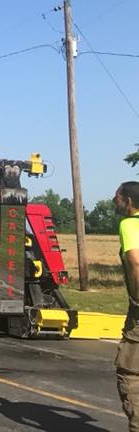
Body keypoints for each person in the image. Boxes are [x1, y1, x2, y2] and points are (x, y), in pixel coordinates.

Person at [114, 180, 139, 431]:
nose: (115, 202)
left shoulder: (129, 224)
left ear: (128, 202)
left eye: (117, 197)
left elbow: (134, 259)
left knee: (130, 373)